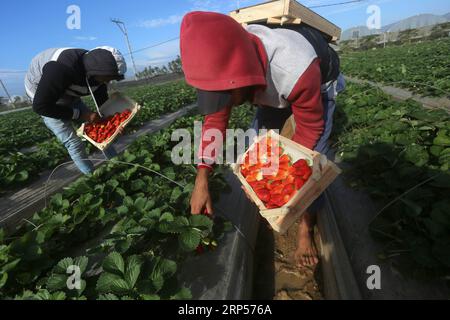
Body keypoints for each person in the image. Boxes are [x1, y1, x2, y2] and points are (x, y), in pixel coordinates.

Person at [180, 11, 345, 266]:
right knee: (255, 153)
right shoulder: (227, 72)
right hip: (264, 84)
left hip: (317, 83)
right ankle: (269, 206)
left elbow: (310, 127)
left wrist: (283, 176)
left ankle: (305, 230)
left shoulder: (294, 67)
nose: (226, 105)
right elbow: (215, 122)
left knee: (313, 165)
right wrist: (202, 177)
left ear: (243, 77)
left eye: (227, 97)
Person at [24, 46, 127, 174]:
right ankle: (92, 176)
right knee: (74, 143)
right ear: (96, 72)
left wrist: (113, 125)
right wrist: (80, 115)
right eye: (107, 78)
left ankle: (117, 165)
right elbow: (41, 106)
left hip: (68, 92)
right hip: (45, 98)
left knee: (100, 126)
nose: (108, 81)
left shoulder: (98, 71)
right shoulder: (60, 68)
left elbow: (102, 105)